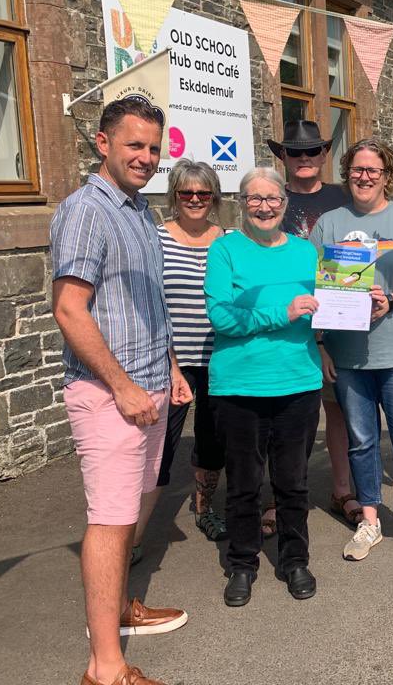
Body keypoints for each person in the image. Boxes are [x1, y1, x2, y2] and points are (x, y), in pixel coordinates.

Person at [50, 98, 191, 685]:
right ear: (103, 143)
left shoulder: (137, 211)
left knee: (129, 512)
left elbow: (149, 307)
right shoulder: (86, 211)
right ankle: (105, 667)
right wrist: (125, 386)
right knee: (110, 521)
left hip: (151, 388)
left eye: (155, 148)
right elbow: (70, 310)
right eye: (135, 145)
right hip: (112, 397)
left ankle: (122, 611)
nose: (147, 158)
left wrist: (173, 368)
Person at [310, 138, 393, 566]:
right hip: (348, 355)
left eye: (373, 170)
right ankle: (369, 519)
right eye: (356, 169)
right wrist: (319, 345)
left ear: (387, 176)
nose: (364, 177)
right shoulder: (328, 224)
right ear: (347, 173)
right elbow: (311, 287)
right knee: (362, 441)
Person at [204, 167, 322, 605]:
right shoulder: (225, 251)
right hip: (241, 386)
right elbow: (221, 318)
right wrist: (282, 313)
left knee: (293, 482)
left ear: (285, 205)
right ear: (242, 202)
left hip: (298, 381)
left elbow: (325, 310)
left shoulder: (307, 253)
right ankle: (242, 563)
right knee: (243, 483)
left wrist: (358, 305)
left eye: (273, 199)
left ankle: (295, 560)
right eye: (255, 199)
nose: (265, 206)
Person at [263, 120, 361, 532]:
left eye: (311, 151)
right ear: (282, 157)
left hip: (336, 321)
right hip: (284, 323)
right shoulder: (269, 201)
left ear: (324, 155)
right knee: (284, 417)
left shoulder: (344, 198)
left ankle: (343, 491)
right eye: (294, 152)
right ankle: (281, 499)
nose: (304, 158)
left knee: (338, 412)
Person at [130, 160, 228, 565]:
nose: (194, 200)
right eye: (186, 192)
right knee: (160, 446)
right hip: (171, 362)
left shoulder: (228, 241)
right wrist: (170, 365)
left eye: (202, 193)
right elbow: (151, 305)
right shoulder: (155, 239)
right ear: (174, 195)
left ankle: (205, 509)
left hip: (222, 357)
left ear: (214, 198)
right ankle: (131, 536)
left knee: (212, 438)